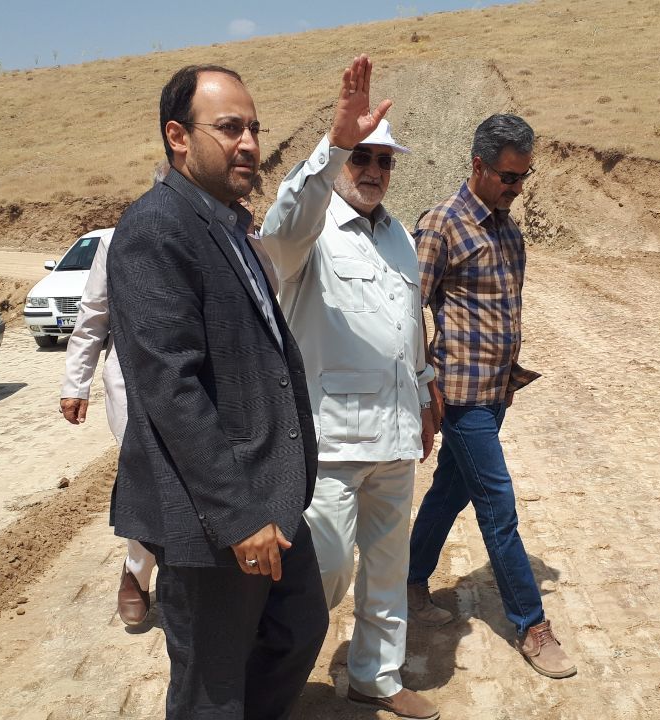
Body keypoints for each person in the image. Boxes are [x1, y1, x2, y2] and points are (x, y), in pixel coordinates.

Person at [106, 64, 327, 719]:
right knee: (211, 687)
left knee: (298, 629)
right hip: (215, 517)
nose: (249, 143)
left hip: (271, 492)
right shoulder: (155, 229)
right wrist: (238, 517)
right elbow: (171, 390)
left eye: (254, 128)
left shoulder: (227, 224)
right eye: (229, 128)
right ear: (178, 136)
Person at [259, 55, 439, 720]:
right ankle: (266, 681)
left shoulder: (400, 237)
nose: (372, 170)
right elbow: (279, 230)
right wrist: (333, 142)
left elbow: (408, 326)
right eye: (360, 157)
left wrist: (425, 396)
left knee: (387, 571)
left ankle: (375, 678)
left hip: (394, 434)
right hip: (330, 443)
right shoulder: (309, 233)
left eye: (383, 161)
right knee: (322, 574)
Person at [406, 114, 576, 680]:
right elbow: (408, 310)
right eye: (508, 176)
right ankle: (531, 624)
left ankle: (409, 582)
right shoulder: (441, 225)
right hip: (460, 397)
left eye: (524, 176)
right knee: (498, 507)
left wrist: (506, 380)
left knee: (449, 492)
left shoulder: (507, 229)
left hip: (495, 392)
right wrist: (423, 386)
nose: (517, 187)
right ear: (478, 165)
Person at [60, 163, 169, 627]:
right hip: (133, 383)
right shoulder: (116, 240)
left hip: (202, 383)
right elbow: (93, 317)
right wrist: (76, 384)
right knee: (144, 481)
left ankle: (188, 580)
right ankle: (137, 572)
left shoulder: (223, 232)